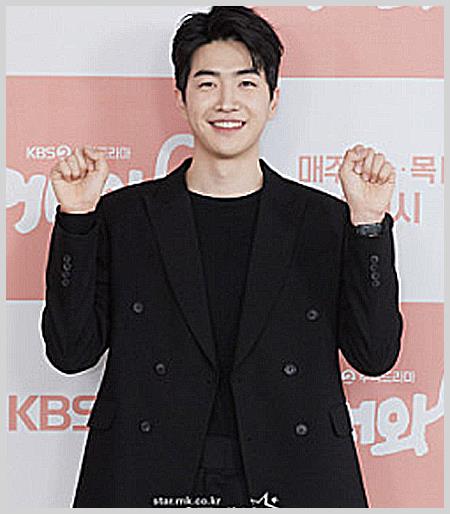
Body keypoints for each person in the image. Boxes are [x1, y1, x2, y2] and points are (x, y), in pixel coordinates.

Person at [41, 6, 403, 508]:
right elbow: (70, 353)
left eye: (246, 83)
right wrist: (78, 222)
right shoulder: (124, 217)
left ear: (273, 99)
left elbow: (376, 355)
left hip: (297, 473)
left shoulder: (324, 220)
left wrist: (367, 227)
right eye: (207, 83)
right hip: (145, 472)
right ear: (181, 97)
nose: (227, 102)